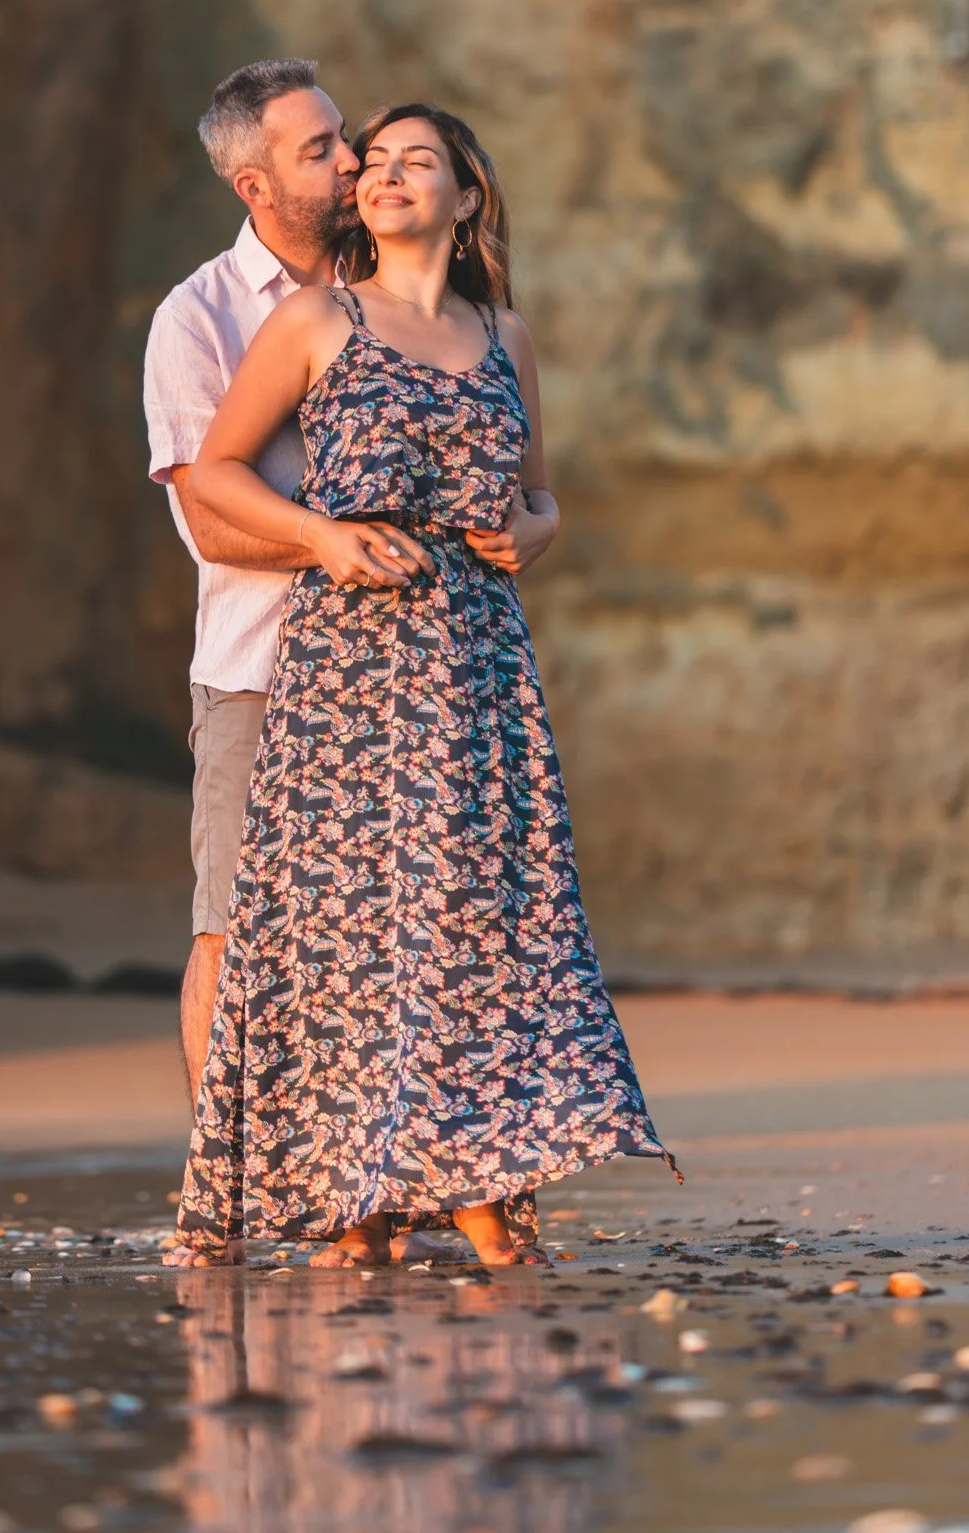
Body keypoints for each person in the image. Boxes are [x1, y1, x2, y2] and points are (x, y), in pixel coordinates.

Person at [177, 101, 674, 1269]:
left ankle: (474, 1189)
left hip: (478, 663)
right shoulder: (316, 318)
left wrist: (536, 528)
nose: (387, 174)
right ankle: (353, 1205)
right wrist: (321, 535)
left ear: (465, 194)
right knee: (345, 935)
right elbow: (212, 474)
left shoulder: (505, 336)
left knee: (474, 923)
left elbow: (539, 493)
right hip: (346, 667)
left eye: (419, 161)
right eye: (376, 161)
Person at [142, 60, 435, 1107]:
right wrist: (339, 543)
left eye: (343, 136)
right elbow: (210, 524)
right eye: (320, 151)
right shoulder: (198, 318)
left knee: (406, 935)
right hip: (258, 672)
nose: (352, 161)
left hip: (406, 672)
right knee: (232, 931)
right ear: (254, 186)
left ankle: (378, 1168)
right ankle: (214, 1175)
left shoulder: (404, 286)